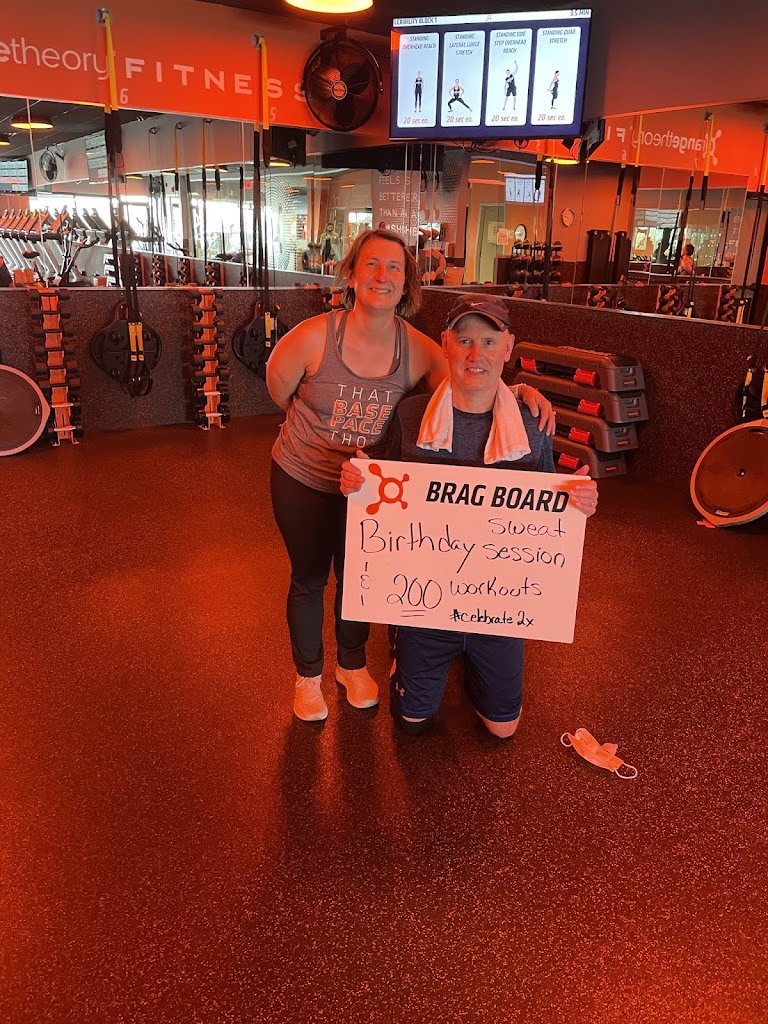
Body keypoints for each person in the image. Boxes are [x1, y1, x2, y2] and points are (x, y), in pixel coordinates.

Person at [266, 229, 555, 723]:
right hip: (305, 476)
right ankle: (308, 676)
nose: (382, 276)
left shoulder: (418, 348)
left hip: (371, 491)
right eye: (371, 264)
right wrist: (318, 435)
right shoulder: (313, 336)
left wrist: (519, 391)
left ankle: (352, 666)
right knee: (310, 578)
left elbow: (471, 382)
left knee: (358, 579)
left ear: (407, 284)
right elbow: (279, 389)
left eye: (394, 267)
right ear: (351, 274)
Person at [341, 295, 598, 738]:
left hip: (497, 607)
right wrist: (355, 481)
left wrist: (579, 503)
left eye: (489, 342)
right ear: (445, 344)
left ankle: (474, 665)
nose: (476, 354)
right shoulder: (411, 414)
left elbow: (548, 509)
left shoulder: (532, 424)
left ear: (508, 347)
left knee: (503, 729)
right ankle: (403, 642)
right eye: (464, 341)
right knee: (412, 721)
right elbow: (377, 481)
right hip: (424, 604)